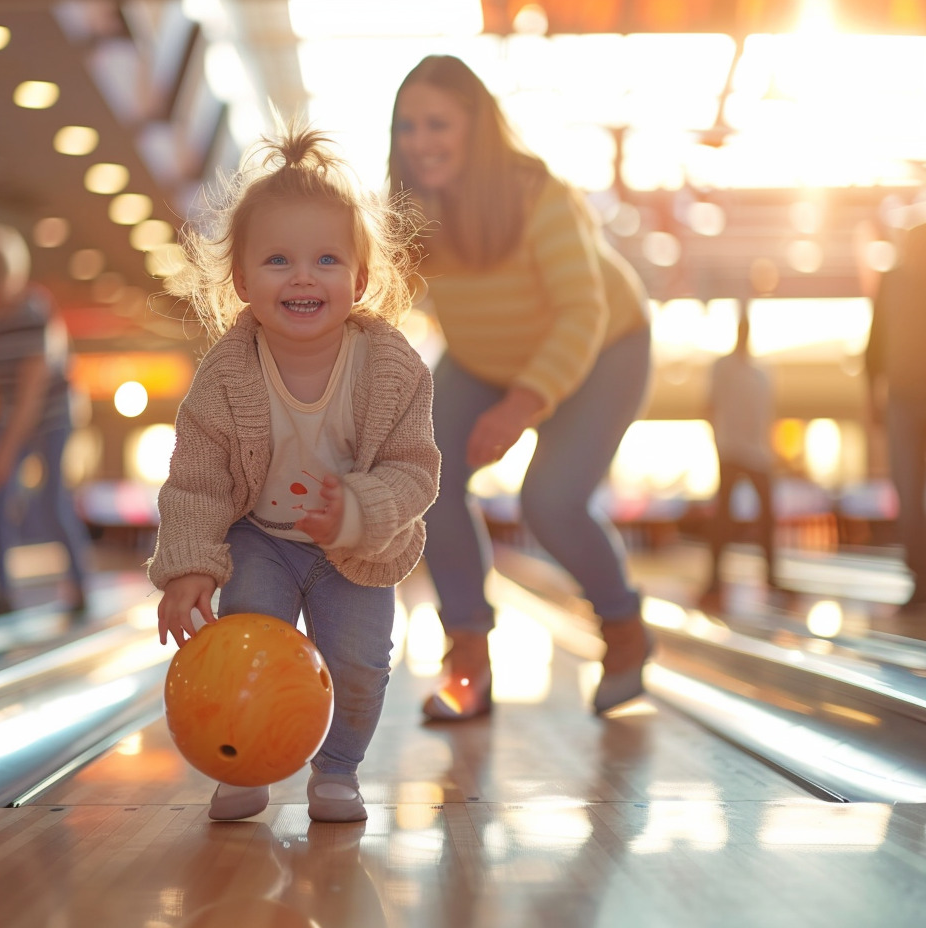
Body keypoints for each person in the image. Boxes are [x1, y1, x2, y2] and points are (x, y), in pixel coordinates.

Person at [147, 126, 440, 823]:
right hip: (263, 538)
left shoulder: (392, 368)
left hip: (357, 550)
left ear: (360, 279)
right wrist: (187, 565)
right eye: (278, 260)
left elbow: (415, 470)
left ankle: (337, 769)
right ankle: (244, 764)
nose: (303, 277)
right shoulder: (224, 375)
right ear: (243, 281)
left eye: (326, 260)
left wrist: (357, 513)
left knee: (361, 664)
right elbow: (197, 478)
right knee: (245, 643)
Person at [388, 55, 653, 719]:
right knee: (432, 479)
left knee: (551, 501)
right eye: (408, 126)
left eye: (438, 124)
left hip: (603, 350)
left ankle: (623, 630)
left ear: (476, 128)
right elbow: (371, 299)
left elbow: (582, 313)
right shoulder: (411, 212)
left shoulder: (538, 194)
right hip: (482, 358)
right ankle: (468, 660)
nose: (421, 143)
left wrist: (523, 404)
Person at [0, 223, 94, 617]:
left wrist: (4, 450)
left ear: (9, 278)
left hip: (52, 414)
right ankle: (2, 592)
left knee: (53, 500)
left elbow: (29, 396)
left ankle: (80, 587)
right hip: (12, 413)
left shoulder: (37, 313)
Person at [865, 220, 926, 610]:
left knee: (909, 492)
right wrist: (873, 396)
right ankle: (920, 575)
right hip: (902, 399)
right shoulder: (892, 282)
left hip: (908, 399)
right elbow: (875, 345)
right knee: (907, 492)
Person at [702, 307, 779, 599]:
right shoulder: (721, 368)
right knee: (723, 517)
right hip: (731, 450)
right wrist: (717, 443)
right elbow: (708, 406)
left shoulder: (762, 373)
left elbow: (767, 415)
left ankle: (771, 574)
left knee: (767, 516)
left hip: (759, 453)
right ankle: (714, 578)